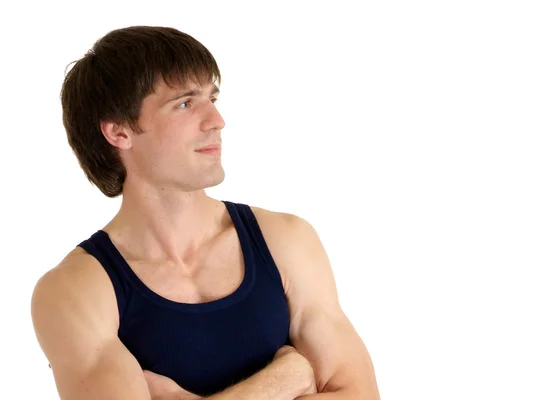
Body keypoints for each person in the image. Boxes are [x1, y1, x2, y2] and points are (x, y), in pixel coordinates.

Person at [30, 25, 380, 400]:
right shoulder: (74, 292)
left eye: (212, 98)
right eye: (184, 103)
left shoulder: (286, 240)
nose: (216, 120)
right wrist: (286, 377)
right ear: (119, 132)